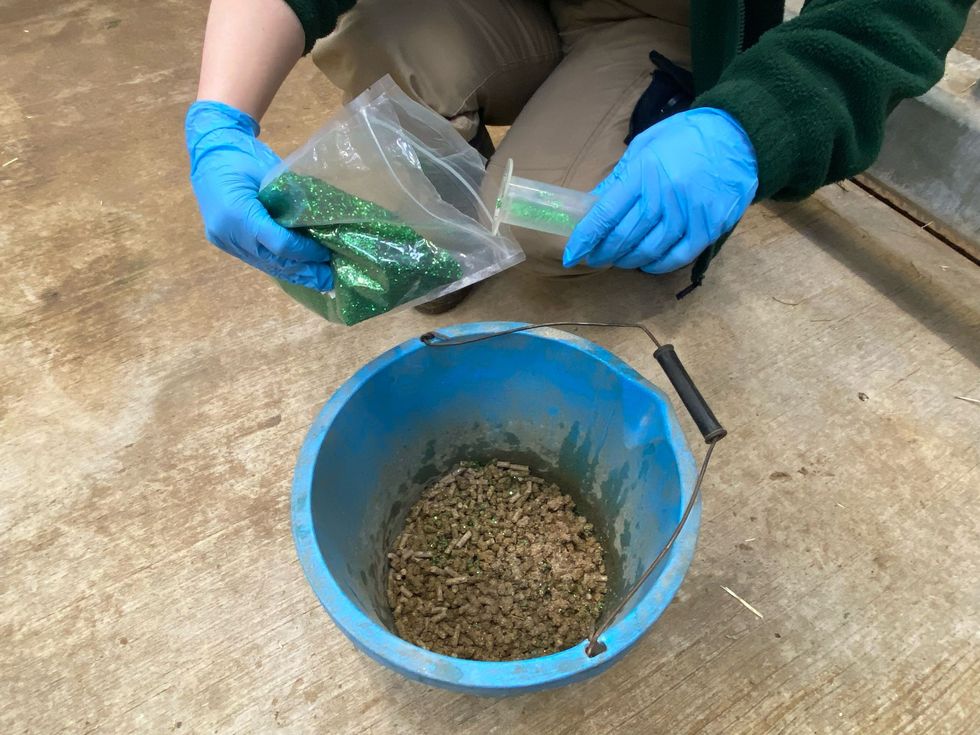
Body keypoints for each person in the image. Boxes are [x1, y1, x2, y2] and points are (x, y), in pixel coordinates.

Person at [186, 0, 972, 311]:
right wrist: (221, 119)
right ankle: (448, 239)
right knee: (377, 39)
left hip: (661, 14)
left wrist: (752, 124)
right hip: (522, 2)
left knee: (545, 218)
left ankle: (603, 164)